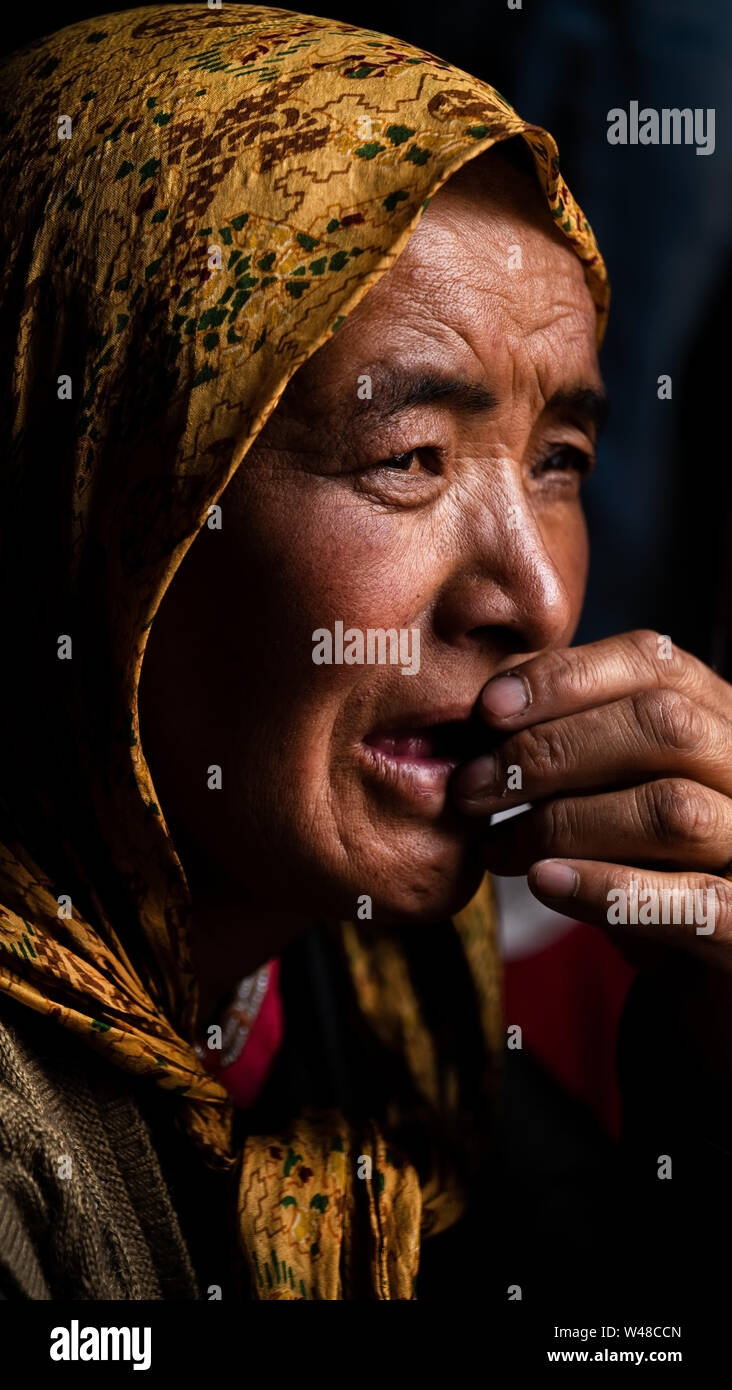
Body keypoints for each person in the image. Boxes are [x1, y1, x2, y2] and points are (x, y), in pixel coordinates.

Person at [0, 4, 730, 1303]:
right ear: (108, 496)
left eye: (560, 459)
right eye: (409, 458)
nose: (535, 595)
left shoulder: (398, 999)